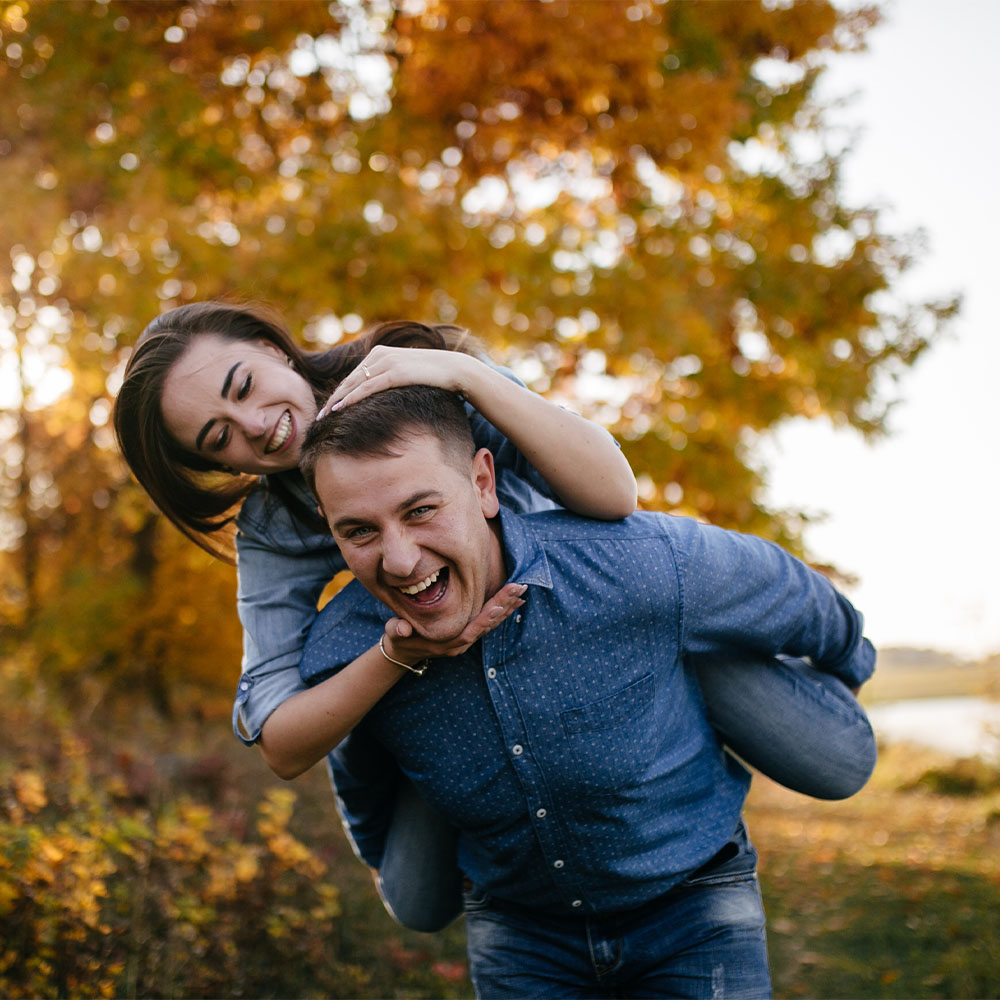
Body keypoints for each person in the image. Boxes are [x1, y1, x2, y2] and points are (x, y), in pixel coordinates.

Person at [113, 301, 875, 934]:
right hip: (455, 689)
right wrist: (402, 655)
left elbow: (614, 496)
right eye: (219, 437)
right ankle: (451, 766)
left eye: (244, 386)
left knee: (838, 763)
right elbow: (280, 739)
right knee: (416, 903)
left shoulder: (422, 377)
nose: (253, 424)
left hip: (595, 641)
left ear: (271, 348)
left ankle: (672, 697)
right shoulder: (275, 527)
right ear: (221, 466)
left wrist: (462, 373)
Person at [297, 385, 877, 998]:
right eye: (359, 531)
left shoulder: (636, 563)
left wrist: (843, 681)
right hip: (519, 927)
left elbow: (799, 599)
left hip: (693, 900)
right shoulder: (344, 652)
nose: (399, 560)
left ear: (483, 484)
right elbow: (365, 789)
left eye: (420, 510)